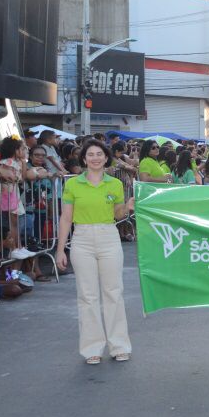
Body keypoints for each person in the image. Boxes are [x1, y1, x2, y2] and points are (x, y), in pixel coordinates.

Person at [55, 140, 135, 364]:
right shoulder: (73, 184)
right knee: (87, 295)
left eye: (99, 154)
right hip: (81, 239)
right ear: (84, 159)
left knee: (113, 292)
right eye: (90, 154)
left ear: (106, 157)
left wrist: (127, 207)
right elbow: (66, 218)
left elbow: (118, 214)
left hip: (109, 236)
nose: (95, 158)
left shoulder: (115, 184)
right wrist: (60, 250)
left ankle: (119, 346)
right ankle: (92, 349)